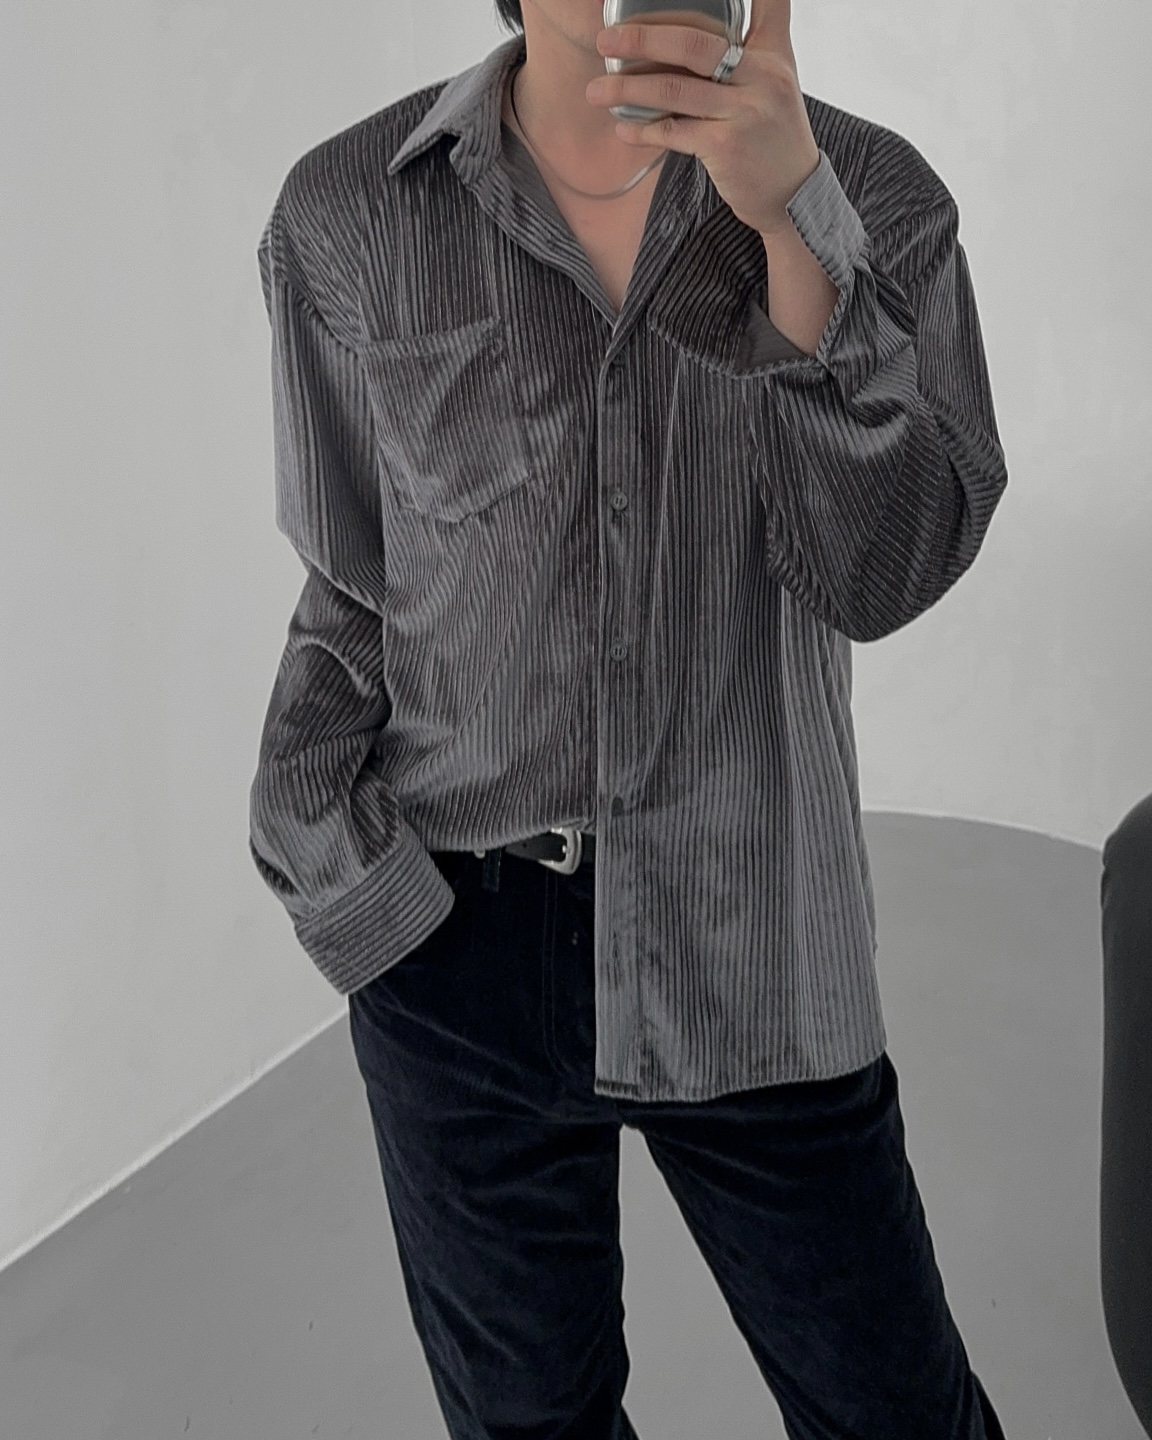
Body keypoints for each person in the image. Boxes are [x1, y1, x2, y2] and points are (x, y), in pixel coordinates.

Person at [247, 0, 1012, 1432]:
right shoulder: (346, 211)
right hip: (453, 951)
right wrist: (342, 880)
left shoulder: (873, 197)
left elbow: (886, 571)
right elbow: (352, 579)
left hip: (758, 937)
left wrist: (795, 232)